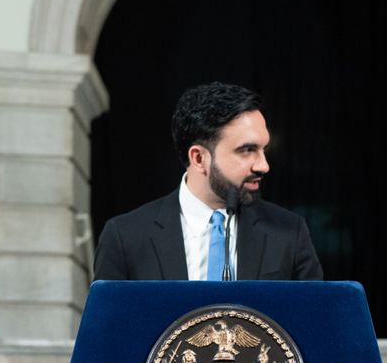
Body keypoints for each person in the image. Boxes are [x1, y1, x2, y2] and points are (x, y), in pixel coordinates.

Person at [93, 82, 323, 281]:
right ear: (199, 158)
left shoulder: (290, 232)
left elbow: (314, 317)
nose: (263, 166)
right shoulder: (125, 237)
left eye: (263, 149)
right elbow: (109, 320)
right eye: (247, 150)